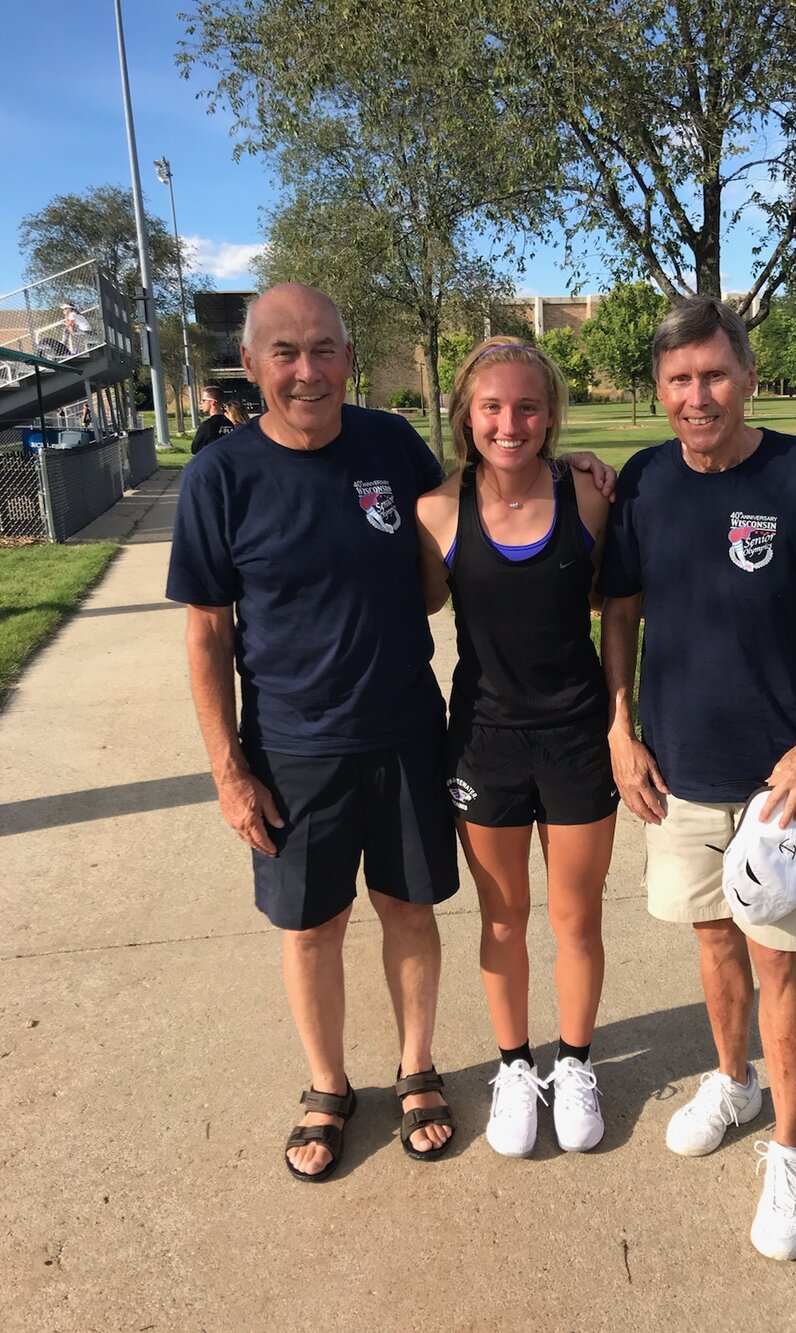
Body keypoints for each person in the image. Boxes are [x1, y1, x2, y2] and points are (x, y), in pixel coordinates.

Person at [166, 284, 616, 1183]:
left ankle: (418, 1070)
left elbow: (492, 484)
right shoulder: (220, 475)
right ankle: (328, 1086)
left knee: (410, 910)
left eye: (324, 349)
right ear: (252, 366)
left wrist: (582, 464)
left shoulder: (390, 447)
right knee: (310, 927)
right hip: (293, 745)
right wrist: (227, 768)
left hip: (410, 727)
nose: (307, 370)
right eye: (285, 352)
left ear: (348, 358)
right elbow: (207, 632)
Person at [598, 297, 796, 1259]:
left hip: (787, 785)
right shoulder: (645, 482)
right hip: (680, 769)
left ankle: (791, 1147)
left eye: (715, 375)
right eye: (680, 380)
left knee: (776, 958)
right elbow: (621, 610)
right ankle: (733, 1081)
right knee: (711, 939)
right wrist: (621, 727)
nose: (698, 397)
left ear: (749, 376)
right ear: (659, 388)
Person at [417, 338, 618, 1158]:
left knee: (576, 918)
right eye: (492, 406)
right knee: (503, 919)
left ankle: (572, 1064)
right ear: (467, 412)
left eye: (527, 406)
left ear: (550, 415)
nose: (510, 422)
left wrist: (619, 722)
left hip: (576, 738)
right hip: (485, 742)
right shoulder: (438, 511)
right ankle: (513, 1066)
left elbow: (615, 609)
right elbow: (418, 611)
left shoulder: (590, 494)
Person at [190, 386, 235, 454]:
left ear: (212, 402)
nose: (201, 403)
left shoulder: (207, 425)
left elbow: (195, 449)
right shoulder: (229, 424)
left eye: (204, 400)